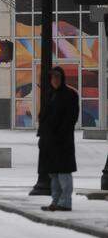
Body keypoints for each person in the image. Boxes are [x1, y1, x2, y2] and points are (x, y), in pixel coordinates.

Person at [38, 66, 80, 212]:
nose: (55, 80)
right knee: (53, 174)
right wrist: (42, 136)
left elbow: (71, 118)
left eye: (57, 77)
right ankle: (56, 201)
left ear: (62, 79)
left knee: (63, 173)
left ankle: (65, 202)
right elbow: (44, 117)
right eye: (53, 78)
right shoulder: (50, 94)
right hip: (49, 142)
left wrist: (60, 134)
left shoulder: (70, 95)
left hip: (63, 142)